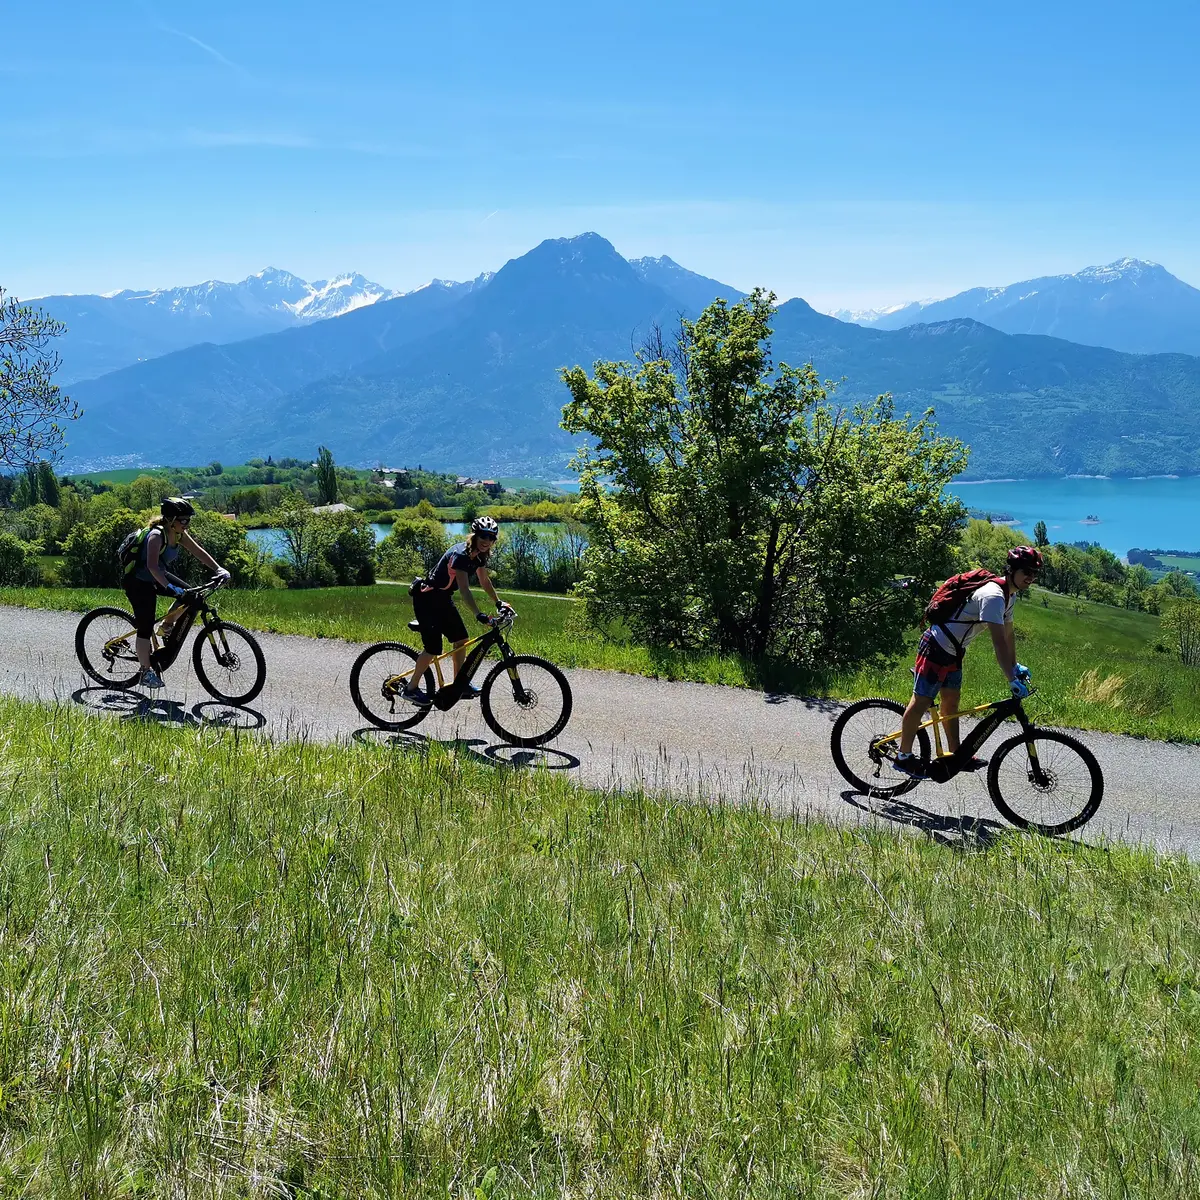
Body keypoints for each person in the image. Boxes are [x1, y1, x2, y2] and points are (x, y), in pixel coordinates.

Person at [894, 545, 1044, 777]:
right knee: (921, 701)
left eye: (1034, 573)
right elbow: (998, 643)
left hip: (954, 651)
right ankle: (903, 757)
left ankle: (957, 754)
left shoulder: (1009, 596)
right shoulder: (993, 596)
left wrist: (1015, 667)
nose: (1031, 577)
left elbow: (1009, 635)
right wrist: (1011, 678)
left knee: (951, 704)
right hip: (936, 646)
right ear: (1011, 570)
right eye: (1026, 571)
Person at [404, 515, 513, 705]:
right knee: (433, 649)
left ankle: (459, 685)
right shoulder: (462, 555)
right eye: (483, 536)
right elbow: (464, 588)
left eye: (491, 538)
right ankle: (410, 689)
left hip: (442, 599)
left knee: (461, 640)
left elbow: (484, 581)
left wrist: (498, 602)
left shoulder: (479, 555)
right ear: (475, 536)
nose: (487, 541)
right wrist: (478, 614)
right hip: (426, 599)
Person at [123, 497, 230, 689]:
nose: (187, 524)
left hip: (157, 576)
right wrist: (170, 588)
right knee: (145, 627)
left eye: (188, 520)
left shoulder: (179, 534)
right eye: (184, 520)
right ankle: (145, 673)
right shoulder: (156, 536)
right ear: (171, 520)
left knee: (192, 597)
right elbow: (152, 566)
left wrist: (218, 569)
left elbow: (198, 552)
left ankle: (166, 626)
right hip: (138, 582)